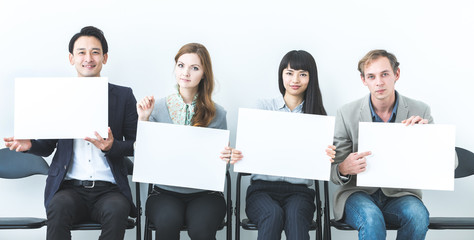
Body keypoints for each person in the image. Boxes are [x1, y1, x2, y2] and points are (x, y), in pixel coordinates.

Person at [4, 26, 138, 240]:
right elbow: (47, 146)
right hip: (69, 188)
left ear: (104, 57)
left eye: (95, 52)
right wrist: (30, 145)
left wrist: (112, 146)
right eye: (81, 52)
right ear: (71, 58)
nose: (88, 58)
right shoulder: (59, 95)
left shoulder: (123, 96)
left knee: (117, 209)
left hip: (109, 190)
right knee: (58, 207)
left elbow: (136, 145)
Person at [227, 50, 336, 240]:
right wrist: (238, 154)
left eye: (302, 74)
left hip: (300, 193)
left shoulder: (317, 117)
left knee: (295, 218)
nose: (295, 79)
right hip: (261, 191)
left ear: (311, 78)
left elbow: (321, 164)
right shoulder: (262, 108)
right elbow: (248, 149)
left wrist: (328, 157)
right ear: (281, 75)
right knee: (272, 214)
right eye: (289, 73)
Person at [330, 49, 431, 240]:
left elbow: (451, 163)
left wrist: (427, 138)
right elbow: (333, 170)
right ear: (363, 80)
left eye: (385, 74)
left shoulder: (420, 110)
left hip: (400, 194)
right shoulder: (346, 113)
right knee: (371, 218)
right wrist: (344, 168)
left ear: (396, 74)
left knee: (418, 216)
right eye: (371, 76)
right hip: (357, 193)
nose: (379, 82)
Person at [137, 43, 227, 240]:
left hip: (206, 194)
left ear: (204, 74)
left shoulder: (217, 113)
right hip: (165, 193)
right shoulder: (157, 108)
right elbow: (144, 155)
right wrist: (143, 119)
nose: (185, 72)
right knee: (168, 224)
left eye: (194, 68)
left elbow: (219, 162)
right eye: (181, 65)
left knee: (201, 230)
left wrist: (227, 157)